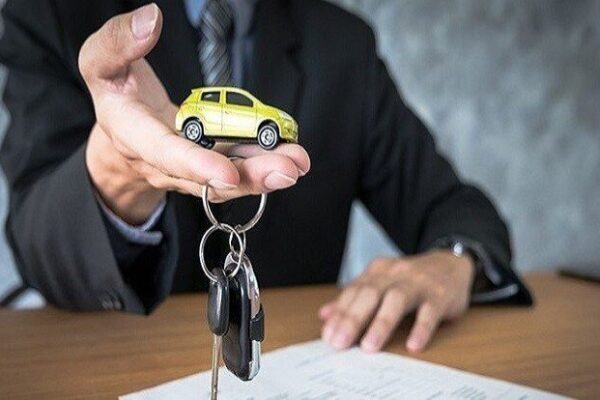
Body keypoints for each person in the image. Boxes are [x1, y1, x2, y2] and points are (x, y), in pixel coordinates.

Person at [0, 0, 531, 354]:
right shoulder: (53, 12)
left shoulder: (342, 43)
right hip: (109, 362)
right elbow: (33, 240)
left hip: (300, 359)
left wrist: (455, 260)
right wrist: (117, 172)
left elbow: (456, 208)